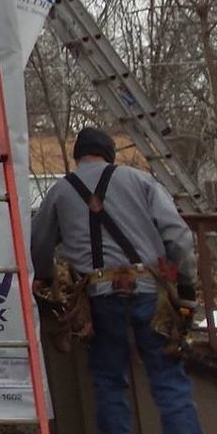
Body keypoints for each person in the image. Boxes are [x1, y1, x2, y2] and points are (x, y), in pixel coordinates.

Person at [30, 126, 202, 434]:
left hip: (98, 297)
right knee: (168, 380)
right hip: (148, 291)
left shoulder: (60, 191)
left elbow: (40, 243)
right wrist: (186, 283)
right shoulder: (140, 180)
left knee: (109, 381)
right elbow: (177, 235)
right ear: (109, 154)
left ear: (77, 156)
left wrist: (44, 277)